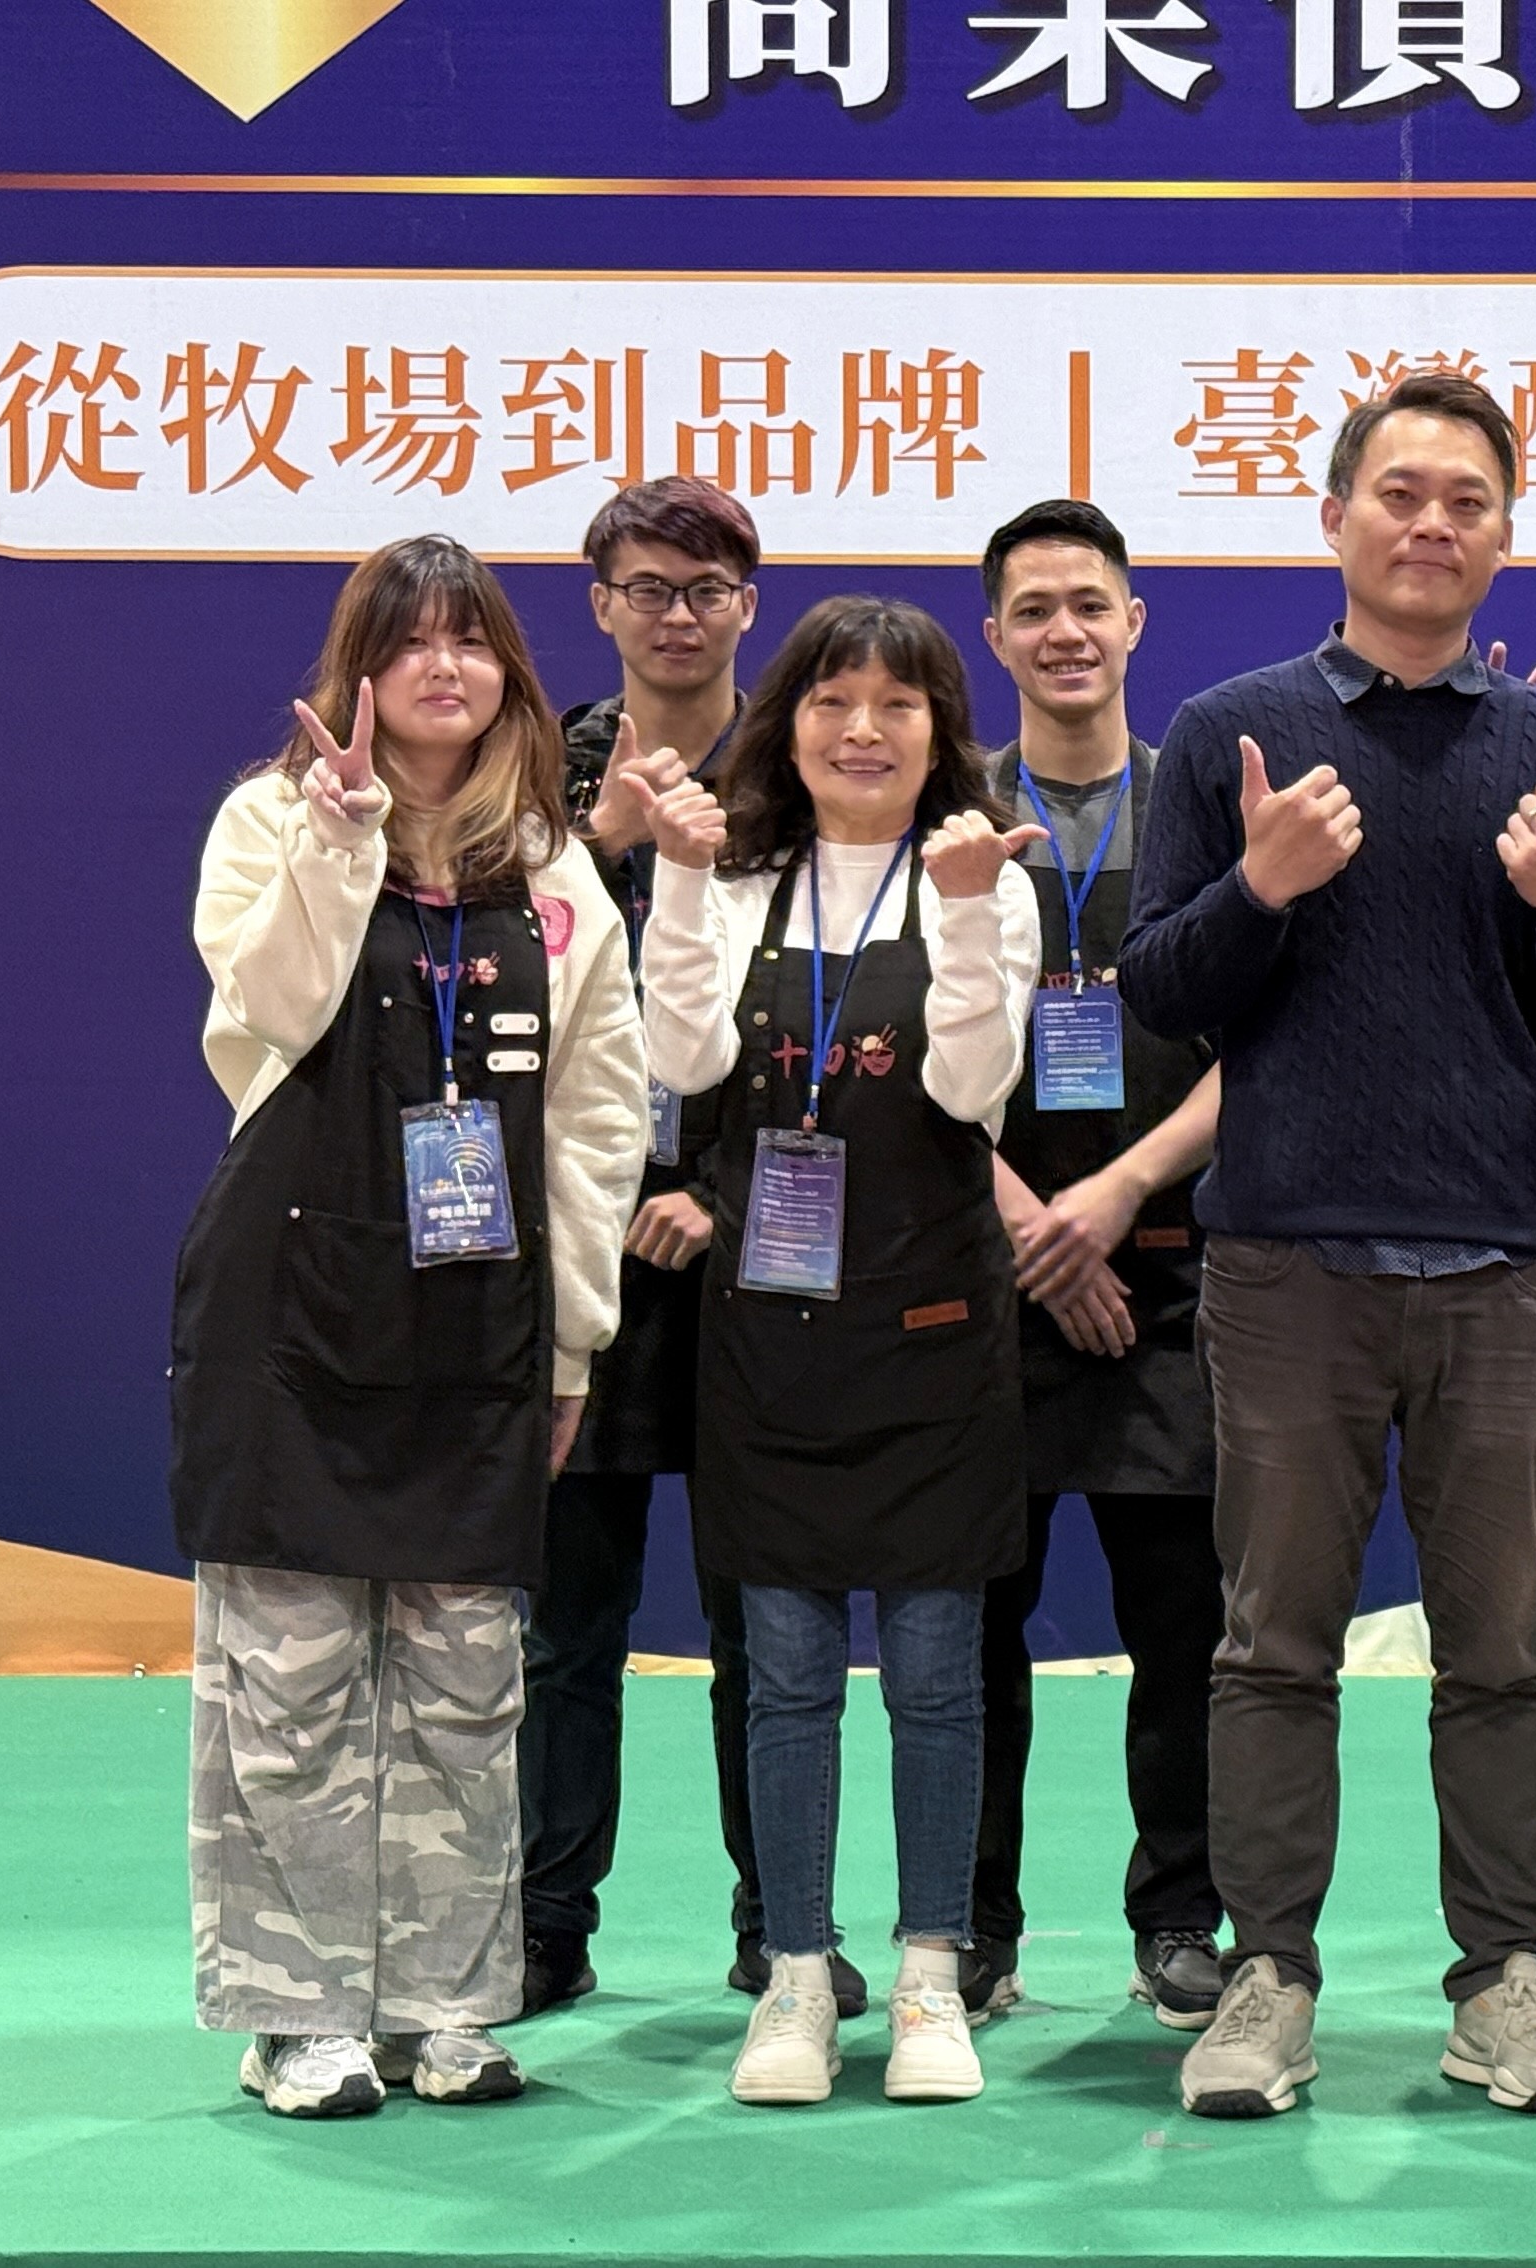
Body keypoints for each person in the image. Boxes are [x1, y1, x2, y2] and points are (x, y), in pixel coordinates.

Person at [1121, 371, 1536, 2119]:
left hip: (1505, 1265)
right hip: (1287, 1264)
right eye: (1402, 493)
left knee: (1504, 1653)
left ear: (1506, 538)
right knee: (1271, 1645)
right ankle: (1266, 1976)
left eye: (1468, 502)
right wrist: (1262, 884)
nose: (1433, 524)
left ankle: (1504, 1977)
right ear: (1335, 516)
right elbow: (1160, 989)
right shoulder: (1231, 733)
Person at [173, 534, 647, 2117]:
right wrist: (342, 837)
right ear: (359, 669)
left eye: (472, 640)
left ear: (509, 672)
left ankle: (448, 2003)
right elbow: (265, 1011)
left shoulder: (556, 870)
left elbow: (595, 1124)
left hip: (479, 1322)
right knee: (290, 1678)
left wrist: (571, 1342)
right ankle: (297, 2015)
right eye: (411, 641)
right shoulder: (272, 819)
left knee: (465, 1677)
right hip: (290, 1316)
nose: (444, 667)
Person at [635, 596, 1044, 2107]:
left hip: (932, 1333)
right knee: (788, 1680)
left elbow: (974, 1091)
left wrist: (967, 918)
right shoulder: (739, 875)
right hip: (767, 1340)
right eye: (830, 701)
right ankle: (797, 1976)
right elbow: (682, 1062)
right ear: (786, 723)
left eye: (897, 705)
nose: (862, 731)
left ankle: (932, 1975)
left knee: (938, 1678)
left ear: (941, 732)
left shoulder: (985, 877)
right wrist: (680, 879)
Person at [515, 476, 862, 2026]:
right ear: (601, 604)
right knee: (567, 1626)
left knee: (766, 1622)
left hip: (757, 1241)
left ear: (749, 607)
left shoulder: (804, 772)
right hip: (582, 1243)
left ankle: (781, 1923)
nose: (677, 614)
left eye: (707, 588)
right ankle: (543, 1925)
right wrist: (594, 848)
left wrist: (723, 1187)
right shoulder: (535, 771)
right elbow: (498, 988)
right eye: (648, 587)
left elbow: (843, 1008)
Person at [963, 498, 1233, 2028]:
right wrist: (1033, 1228)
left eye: (1091, 604)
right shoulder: (947, 815)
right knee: (967, 1637)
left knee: (1184, 1636)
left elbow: (1268, 1045)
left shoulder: (1203, 809)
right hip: (984, 1282)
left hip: (1172, 1282)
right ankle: (971, 1924)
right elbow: (895, 1050)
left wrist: (1120, 1195)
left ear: (1135, 623)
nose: (1065, 632)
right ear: (995, 637)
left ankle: (1180, 1918)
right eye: (1034, 609)